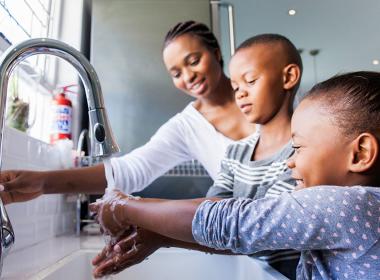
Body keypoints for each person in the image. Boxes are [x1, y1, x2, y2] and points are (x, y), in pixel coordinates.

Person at [91, 71, 380, 280]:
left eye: (299, 147)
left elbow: (234, 222)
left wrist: (123, 206)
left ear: (360, 153)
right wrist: (162, 237)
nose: (290, 162)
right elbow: (256, 234)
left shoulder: (351, 206)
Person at [91, 33, 303, 278]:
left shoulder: (303, 152)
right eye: (235, 86)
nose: (240, 93)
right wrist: (157, 236)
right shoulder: (236, 154)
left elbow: (251, 227)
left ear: (288, 77)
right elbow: (213, 220)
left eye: (250, 81)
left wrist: (128, 207)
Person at [0, 20, 255, 204]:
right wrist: (43, 182)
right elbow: (131, 170)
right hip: (260, 248)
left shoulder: (259, 90)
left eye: (194, 61)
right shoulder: (186, 127)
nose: (188, 76)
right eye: (176, 73)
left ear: (216, 53)